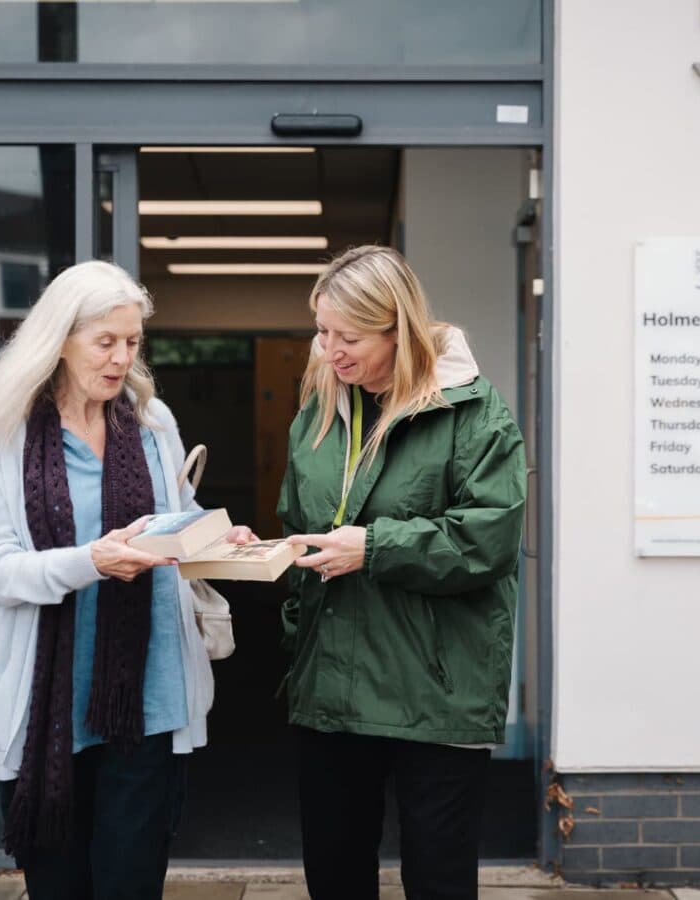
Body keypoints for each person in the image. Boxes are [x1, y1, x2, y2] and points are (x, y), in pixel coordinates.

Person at [0, 260, 253, 900]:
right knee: (59, 885)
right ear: (58, 342)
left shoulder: (153, 425)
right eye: (105, 342)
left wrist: (215, 534)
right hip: (47, 710)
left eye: (132, 342)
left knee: (131, 883)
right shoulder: (4, 437)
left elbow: (173, 520)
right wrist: (89, 562)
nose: (123, 358)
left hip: (148, 698)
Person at [277, 245, 526, 900]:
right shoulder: (320, 412)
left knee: (439, 877)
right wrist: (270, 554)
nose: (330, 350)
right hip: (332, 683)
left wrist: (374, 547)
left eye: (349, 336)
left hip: (437, 687)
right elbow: (297, 519)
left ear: (399, 329)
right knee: (334, 873)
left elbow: (489, 539)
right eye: (323, 331)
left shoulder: (474, 413)